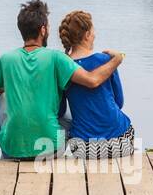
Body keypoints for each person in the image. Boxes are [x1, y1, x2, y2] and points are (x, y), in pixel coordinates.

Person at [0, 0, 124, 160]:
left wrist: (20, 83)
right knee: (68, 110)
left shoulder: (6, 59)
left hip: (11, 149)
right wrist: (116, 60)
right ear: (43, 30)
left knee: (2, 99)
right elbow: (92, 80)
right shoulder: (56, 57)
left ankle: (10, 149)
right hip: (52, 147)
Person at [57, 10, 135, 159]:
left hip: (83, 148)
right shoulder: (106, 60)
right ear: (87, 35)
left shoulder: (63, 66)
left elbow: (60, 110)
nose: (95, 34)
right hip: (121, 143)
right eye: (93, 30)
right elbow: (119, 102)